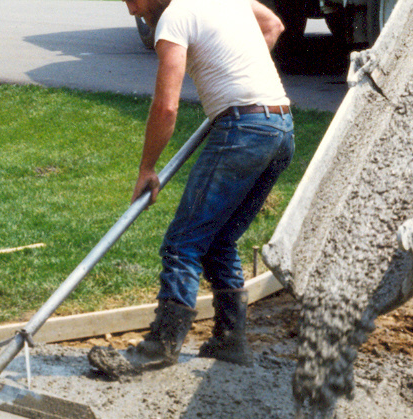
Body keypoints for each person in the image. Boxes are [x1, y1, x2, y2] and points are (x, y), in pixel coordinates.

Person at [89, 0, 295, 377]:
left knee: (183, 243)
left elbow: (166, 107)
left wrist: (147, 167)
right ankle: (231, 341)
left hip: (244, 131)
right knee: (220, 240)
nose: (132, 11)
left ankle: (160, 346)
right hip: (281, 128)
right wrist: (238, 72)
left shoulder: (174, 17)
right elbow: (273, 25)